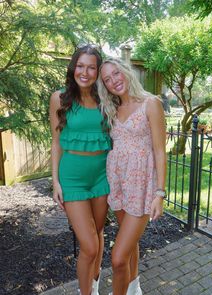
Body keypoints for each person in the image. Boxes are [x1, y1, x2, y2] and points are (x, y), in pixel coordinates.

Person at [97, 58, 167, 295]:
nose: (113, 81)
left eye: (116, 73)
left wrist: (160, 193)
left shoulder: (151, 103)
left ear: (126, 71)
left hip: (141, 186)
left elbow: (159, 150)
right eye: (107, 79)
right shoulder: (112, 108)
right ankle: (134, 286)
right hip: (118, 183)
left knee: (117, 258)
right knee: (129, 245)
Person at [49, 45, 111, 295]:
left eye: (91, 67)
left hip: (102, 174)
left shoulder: (106, 99)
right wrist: (56, 182)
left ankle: (93, 286)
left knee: (98, 233)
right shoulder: (60, 98)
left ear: (97, 71)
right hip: (73, 177)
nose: (84, 72)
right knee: (89, 245)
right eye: (81, 66)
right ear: (73, 67)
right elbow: (55, 142)